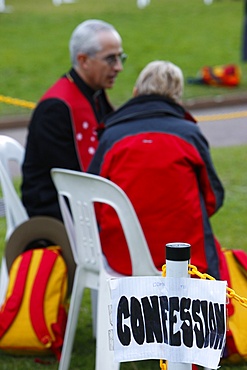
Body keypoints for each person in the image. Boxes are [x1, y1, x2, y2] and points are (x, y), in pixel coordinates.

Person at [88, 60, 225, 280]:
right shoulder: (188, 134)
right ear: (177, 98)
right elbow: (213, 197)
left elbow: (92, 198)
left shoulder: (112, 136)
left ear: (135, 92)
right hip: (183, 257)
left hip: (121, 257)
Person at [21, 19, 126, 220]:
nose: (119, 67)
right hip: (56, 216)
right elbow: (69, 179)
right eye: (111, 59)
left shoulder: (94, 94)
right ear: (84, 60)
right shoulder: (56, 109)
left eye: (120, 57)